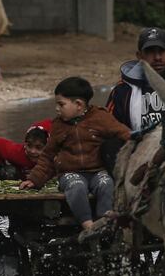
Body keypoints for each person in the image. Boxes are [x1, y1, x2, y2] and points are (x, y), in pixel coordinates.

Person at [20, 77, 131, 234]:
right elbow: (48, 155)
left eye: (61, 104)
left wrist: (139, 142)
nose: (57, 109)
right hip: (70, 173)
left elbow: (123, 133)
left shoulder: (100, 117)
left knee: (107, 184)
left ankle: (104, 222)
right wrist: (34, 179)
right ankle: (88, 226)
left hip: (98, 170)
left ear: (79, 105)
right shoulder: (58, 126)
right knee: (77, 187)